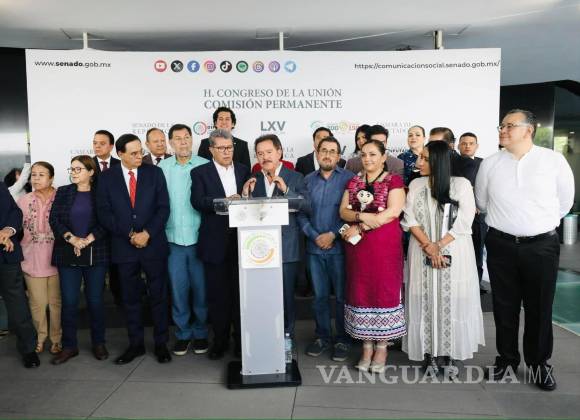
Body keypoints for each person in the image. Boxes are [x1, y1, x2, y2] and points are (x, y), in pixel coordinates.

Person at [475, 109, 574, 391]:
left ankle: (539, 363)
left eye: (509, 126)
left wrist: (536, 225)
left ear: (528, 130)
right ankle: (506, 360)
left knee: (539, 307)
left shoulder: (553, 160)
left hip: (541, 246)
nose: (502, 130)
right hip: (501, 244)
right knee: (504, 306)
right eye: (501, 126)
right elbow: (482, 202)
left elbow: (565, 203)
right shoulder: (491, 163)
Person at [402, 141, 484, 376]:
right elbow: (409, 220)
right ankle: (429, 353)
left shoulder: (461, 185)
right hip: (422, 249)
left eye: (425, 159)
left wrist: (438, 246)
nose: (419, 162)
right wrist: (429, 246)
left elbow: (464, 222)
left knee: (452, 298)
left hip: (454, 249)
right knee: (424, 298)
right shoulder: (416, 184)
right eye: (420, 157)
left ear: (440, 162)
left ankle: (449, 353)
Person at [97, 134, 172, 365]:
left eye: (141, 151)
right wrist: (130, 234)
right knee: (130, 299)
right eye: (134, 153)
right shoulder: (106, 178)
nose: (140, 156)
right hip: (124, 247)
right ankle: (135, 345)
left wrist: (147, 233)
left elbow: (163, 208)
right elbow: (104, 213)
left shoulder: (154, 173)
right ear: (120, 154)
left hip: (153, 245)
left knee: (159, 297)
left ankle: (161, 344)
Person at [339, 140, 406, 373]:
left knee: (383, 291)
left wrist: (360, 226)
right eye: (364, 154)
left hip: (384, 247)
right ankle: (366, 347)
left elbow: (392, 212)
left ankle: (382, 348)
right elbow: (343, 211)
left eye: (373, 154)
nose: (367, 159)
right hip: (358, 249)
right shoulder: (353, 181)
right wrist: (360, 217)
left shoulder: (393, 180)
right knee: (361, 291)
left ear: (384, 156)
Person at [191, 129, 250, 360]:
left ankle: (240, 341)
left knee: (240, 295)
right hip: (214, 242)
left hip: (242, 243)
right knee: (218, 296)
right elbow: (197, 201)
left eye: (230, 147)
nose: (227, 152)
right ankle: (220, 341)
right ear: (211, 150)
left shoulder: (244, 170)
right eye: (222, 148)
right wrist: (225, 202)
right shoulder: (200, 172)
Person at [242, 134, 308, 340]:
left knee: (286, 296)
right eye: (260, 154)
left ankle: (286, 336)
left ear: (279, 152)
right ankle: (266, 337)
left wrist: (286, 190)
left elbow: (306, 206)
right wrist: (245, 196)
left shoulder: (295, 177)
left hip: (287, 248)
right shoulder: (253, 179)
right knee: (264, 296)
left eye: (269, 152)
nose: (265, 157)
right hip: (259, 250)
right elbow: (247, 215)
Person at [48, 156, 110, 365]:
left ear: (91, 172)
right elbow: (54, 219)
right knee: (69, 301)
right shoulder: (63, 191)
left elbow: (108, 221)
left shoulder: (101, 192)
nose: (73, 173)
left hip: (96, 252)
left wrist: (87, 240)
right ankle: (69, 346)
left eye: (78, 169)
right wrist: (72, 239)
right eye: (72, 169)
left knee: (95, 300)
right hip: (68, 251)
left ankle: (98, 343)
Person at [298, 136, 354, 361]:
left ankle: (342, 339)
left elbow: (354, 214)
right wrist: (315, 236)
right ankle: (322, 336)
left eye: (332, 151)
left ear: (339, 156)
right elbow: (301, 213)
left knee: (341, 297)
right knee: (319, 297)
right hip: (314, 250)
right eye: (324, 150)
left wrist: (333, 234)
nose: (327, 155)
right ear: (317, 153)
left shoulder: (349, 179)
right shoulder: (307, 180)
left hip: (340, 249)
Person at [159, 124, 209, 356]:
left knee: (201, 290)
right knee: (178, 290)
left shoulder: (205, 165)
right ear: (170, 143)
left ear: (192, 139)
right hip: (172, 240)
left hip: (200, 238)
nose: (183, 142)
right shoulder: (162, 168)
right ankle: (182, 333)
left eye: (187, 137)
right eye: (178, 138)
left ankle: (201, 332)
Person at [17, 161, 61, 355]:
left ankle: (56, 338)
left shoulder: (61, 198)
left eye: (41, 174)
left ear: (51, 178)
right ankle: (40, 338)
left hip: (58, 258)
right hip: (32, 258)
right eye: (33, 174)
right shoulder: (24, 200)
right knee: (37, 303)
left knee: (56, 303)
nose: (36, 178)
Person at [0, 181, 40, 368]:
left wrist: (8, 231)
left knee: (18, 305)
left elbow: (14, 212)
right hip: (4, 246)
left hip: (7, 256)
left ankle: (28, 349)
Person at [91, 129, 122, 305]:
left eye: (102, 143)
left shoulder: (121, 164)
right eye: (95, 143)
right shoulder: (87, 165)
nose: (97, 146)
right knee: (97, 268)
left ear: (111, 146)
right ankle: (97, 302)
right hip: (95, 224)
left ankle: (119, 300)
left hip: (119, 222)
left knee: (118, 266)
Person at [458, 132, 487, 290]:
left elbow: (488, 187)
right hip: (458, 215)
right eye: (464, 143)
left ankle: (477, 283)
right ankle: (461, 284)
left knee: (478, 249)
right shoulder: (452, 163)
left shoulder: (484, 164)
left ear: (477, 146)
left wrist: (479, 205)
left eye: (471, 143)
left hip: (478, 216)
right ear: (458, 146)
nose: (467, 146)